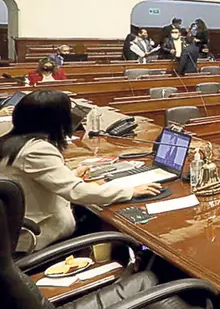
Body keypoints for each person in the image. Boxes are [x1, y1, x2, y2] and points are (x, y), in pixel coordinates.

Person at [0, 90, 161, 250]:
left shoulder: (10, 142)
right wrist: (130, 191)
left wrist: (70, 175)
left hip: (14, 231)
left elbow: (35, 180)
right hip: (39, 236)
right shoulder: (37, 150)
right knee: (121, 236)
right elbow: (76, 192)